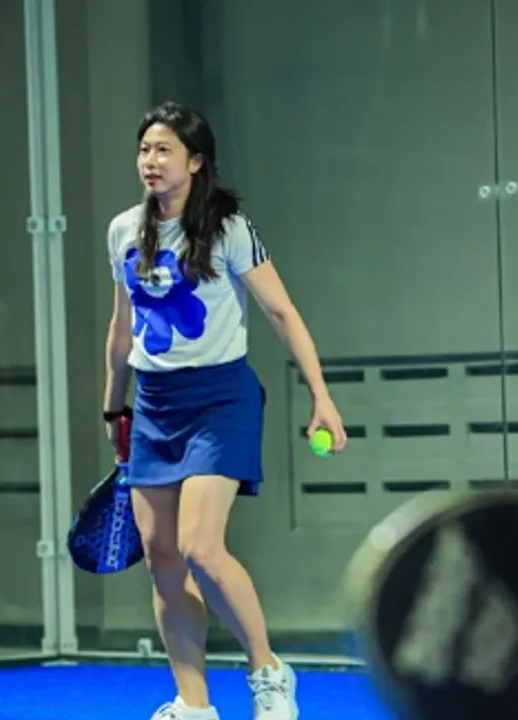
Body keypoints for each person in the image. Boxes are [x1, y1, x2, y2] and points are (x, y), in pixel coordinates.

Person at [102, 101, 348, 720]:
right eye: (144, 149)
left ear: (195, 161)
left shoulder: (229, 228)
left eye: (164, 150)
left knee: (200, 547)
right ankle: (194, 704)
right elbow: (122, 326)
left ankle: (268, 671)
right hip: (154, 404)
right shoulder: (123, 230)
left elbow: (282, 313)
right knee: (161, 558)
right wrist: (113, 409)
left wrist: (321, 396)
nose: (151, 161)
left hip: (221, 399)